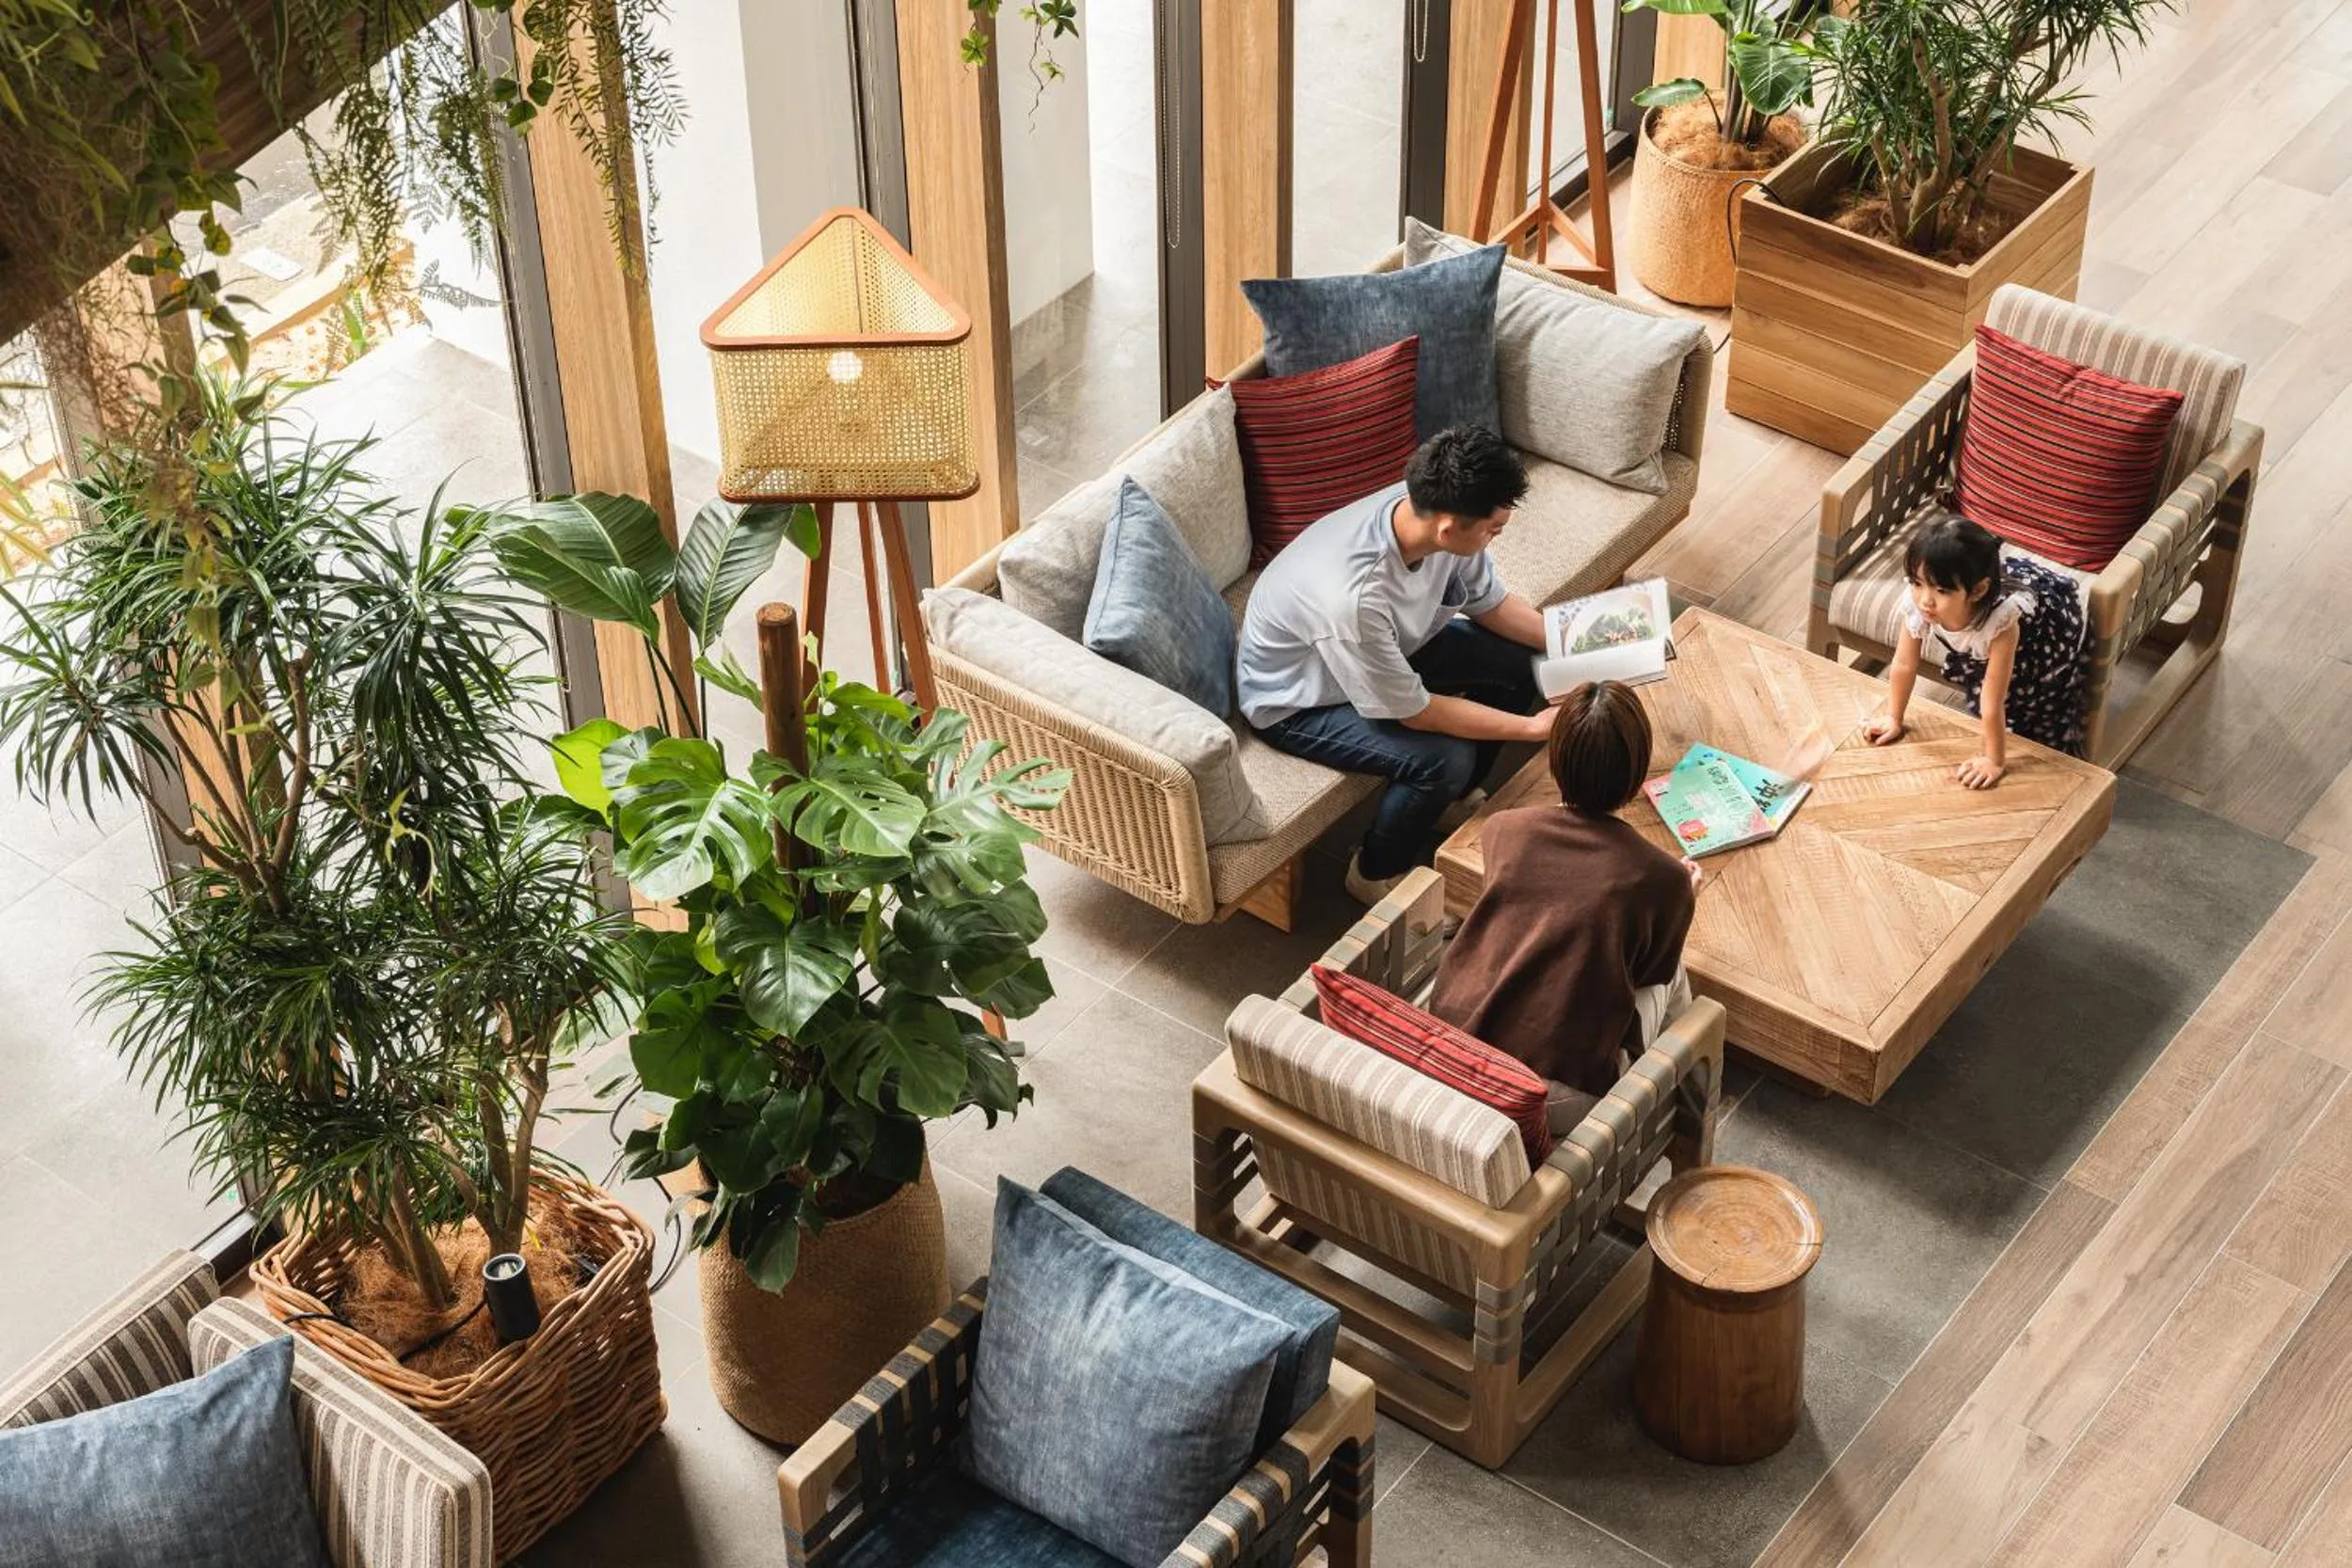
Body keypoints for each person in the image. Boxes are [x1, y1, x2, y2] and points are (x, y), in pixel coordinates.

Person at [1236, 426, 1552, 904]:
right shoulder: (1356, 596)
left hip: (1384, 654)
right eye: (1493, 529)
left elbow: (1491, 604)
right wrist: (1531, 729)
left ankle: (1452, 803)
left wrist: (1577, 643)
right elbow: (1416, 713)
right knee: (1445, 758)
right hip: (1297, 700)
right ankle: (1375, 871)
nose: (1494, 539)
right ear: (1449, 528)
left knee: (1522, 663)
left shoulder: (1424, 514)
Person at [1426, 680, 1697, 1123]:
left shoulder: (1504, 828)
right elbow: (1649, 972)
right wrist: (1682, 898)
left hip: (1455, 1040)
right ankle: (1678, 1114)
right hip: (1547, 1090)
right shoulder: (1662, 877)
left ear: (1556, 759)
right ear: (1637, 771)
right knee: (1674, 974)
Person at [1863, 507, 2089, 781]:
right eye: (1917, 583)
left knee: (2035, 701)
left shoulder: (2002, 622)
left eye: (1942, 590)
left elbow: (1993, 700)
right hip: (1980, 610)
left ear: (1978, 590)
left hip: (2039, 635)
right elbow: (1903, 662)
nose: (1925, 600)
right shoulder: (1919, 603)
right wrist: (1893, 718)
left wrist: (1994, 760)